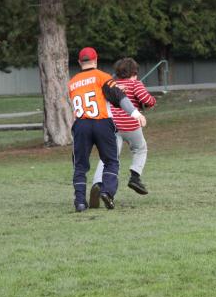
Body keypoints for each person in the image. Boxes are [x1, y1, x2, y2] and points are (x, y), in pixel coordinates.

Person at [67, 47, 146, 212]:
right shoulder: (102, 76)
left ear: (80, 62)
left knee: (80, 166)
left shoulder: (72, 82)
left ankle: (80, 202)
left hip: (81, 124)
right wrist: (135, 113)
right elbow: (119, 97)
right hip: (102, 123)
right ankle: (107, 192)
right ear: (96, 60)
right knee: (111, 161)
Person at [91, 57, 156, 205]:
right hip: (131, 125)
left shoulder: (111, 84)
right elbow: (147, 100)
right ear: (134, 72)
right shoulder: (135, 84)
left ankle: (98, 183)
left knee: (108, 157)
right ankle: (135, 177)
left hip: (113, 126)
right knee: (140, 149)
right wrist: (152, 101)